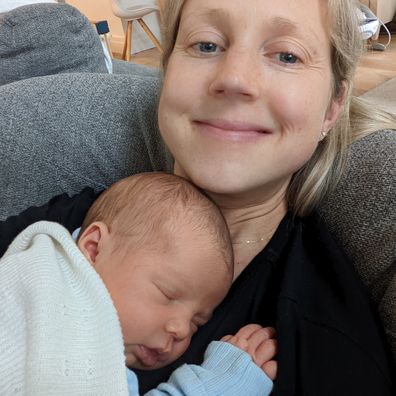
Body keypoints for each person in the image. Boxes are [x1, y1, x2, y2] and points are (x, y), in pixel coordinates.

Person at [1, 0, 396, 394]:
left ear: (333, 106)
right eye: (207, 45)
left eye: (287, 55)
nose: (235, 78)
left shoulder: (323, 349)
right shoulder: (67, 230)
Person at [0, 172, 277, 395]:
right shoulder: (40, 284)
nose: (181, 330)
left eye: (197, 324)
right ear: (94, 248)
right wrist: (216, 385)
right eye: (167, 294)